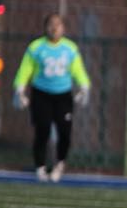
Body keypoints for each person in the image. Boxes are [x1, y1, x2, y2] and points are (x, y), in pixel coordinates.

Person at [12, 14, 91, 183]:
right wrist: (20, 88)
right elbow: (25, 69)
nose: (54, 28)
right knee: (43, 129)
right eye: (51, 24)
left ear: (63, 28)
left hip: (63, 95)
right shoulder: (36, 47)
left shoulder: (70, 48)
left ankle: (60, 163)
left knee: (65, 131)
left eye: (58, 25)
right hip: (42, 93)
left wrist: (84, 86)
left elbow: (78, 69)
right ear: (45, 27)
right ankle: (40, 166)